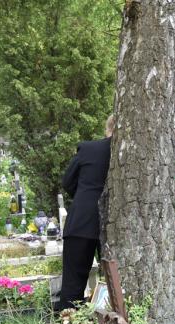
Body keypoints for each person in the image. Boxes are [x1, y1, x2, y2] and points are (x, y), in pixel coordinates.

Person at [58, 115, 114, 310]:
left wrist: (84, 198)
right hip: (114, 223)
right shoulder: (130, 153)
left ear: (108, 129)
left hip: (82, 219)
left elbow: (67, 182)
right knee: (116, 283)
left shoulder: (89, 148)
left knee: (73, 282)